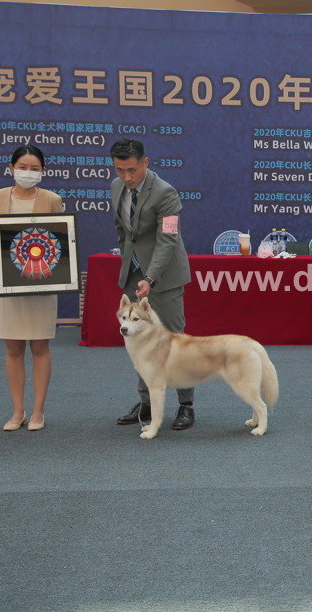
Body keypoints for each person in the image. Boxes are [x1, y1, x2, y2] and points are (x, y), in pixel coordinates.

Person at [110, 139, 196, 429]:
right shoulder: (116, 187)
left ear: (145, 163)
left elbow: (168, 239)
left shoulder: (165, 192)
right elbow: (123, 232)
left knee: (175, 340)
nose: (126, 177)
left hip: (164, 277)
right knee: (138, 341)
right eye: (120, 170)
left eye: (132, 170)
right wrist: (131, 268)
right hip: (133, 275)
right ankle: (146, 404)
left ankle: (186, 406)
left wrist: (150, 277)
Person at [0, 145, 63, 431]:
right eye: (23, 167)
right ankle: (18, 411)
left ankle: (38, 411)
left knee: (39, 346)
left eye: (34, 168)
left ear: (43, 171)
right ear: (11, 168)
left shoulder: (52, 199)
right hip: (9, 282)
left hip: (41, 283)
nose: (28, 173)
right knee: (13, 348)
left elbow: (60, 239)